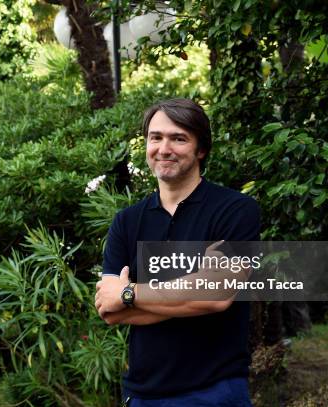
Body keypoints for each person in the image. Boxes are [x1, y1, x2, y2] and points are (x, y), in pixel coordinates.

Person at [94, 98, 260, 406]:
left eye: (178, 138)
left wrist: (129, 293)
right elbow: (109, 309)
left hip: (214, 391)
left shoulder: (235, 210)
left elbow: (217, 293)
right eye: (155, 137)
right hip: (142, 395)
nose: (164, 148)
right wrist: (190, 294)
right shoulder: (127, 222)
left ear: (201, 149)